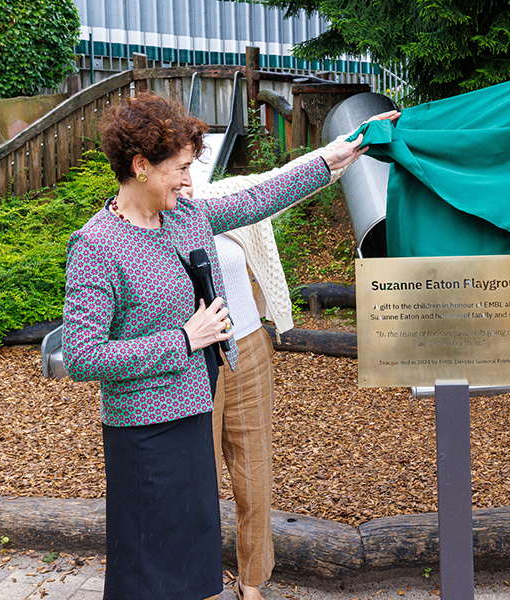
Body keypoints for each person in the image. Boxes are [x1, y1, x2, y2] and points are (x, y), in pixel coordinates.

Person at [61, 92, 371, 600]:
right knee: (148, 570)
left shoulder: (185, 216)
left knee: (194, 565)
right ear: (140, 166)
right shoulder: (95, 246)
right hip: (143, 434)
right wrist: (185, 339)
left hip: (191, 416)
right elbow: (83, 356)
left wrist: (336, 156)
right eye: (179, 168)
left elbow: (261, 197)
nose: (188, 180)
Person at [187, 124, 397, 600]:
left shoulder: (225, 198)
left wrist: (356, 140)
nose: (186, 171)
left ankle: (252, 581)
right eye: (178, 162)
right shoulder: (155, 224)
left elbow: (284, 183)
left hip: (249, 349)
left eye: (191, 160)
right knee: (197, 479)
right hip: (195, 366)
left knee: (254, 473)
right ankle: (193, 580)